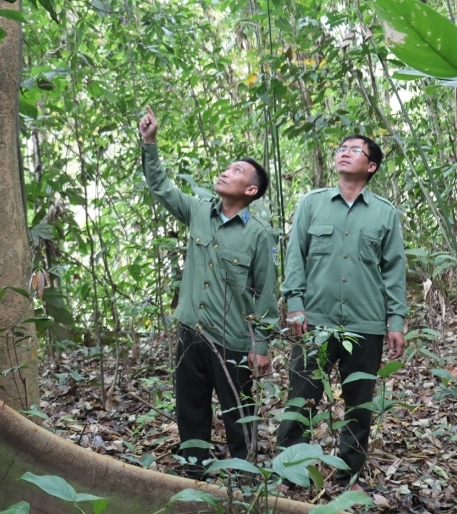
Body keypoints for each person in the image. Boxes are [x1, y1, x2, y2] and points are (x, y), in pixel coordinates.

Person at [138, 105, 277, 478]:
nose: (224, 172)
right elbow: (161, 187)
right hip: (190, 333)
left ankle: (245, 479)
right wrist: (149, 143)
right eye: (226, 167)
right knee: (190, 409)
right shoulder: (198, 211)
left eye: (235, 171)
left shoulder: (259, 234)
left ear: (250, 190)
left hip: (231, 341)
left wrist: (260, 347)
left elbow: (265, 293)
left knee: (238, 413)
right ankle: (194, 475)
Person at [277, 135, 407, 491]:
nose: (344, 153)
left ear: (371, 166)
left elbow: (394, 270)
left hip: (365, 324)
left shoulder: (385, 213)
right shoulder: (312, 204)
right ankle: (290, 471)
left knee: (359, 405)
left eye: (355, 150)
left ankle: (348, 477)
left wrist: (396, 321)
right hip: (313, 321)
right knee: (302, 396)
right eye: (341, 148)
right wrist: (295, 305)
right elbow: (295, 258)